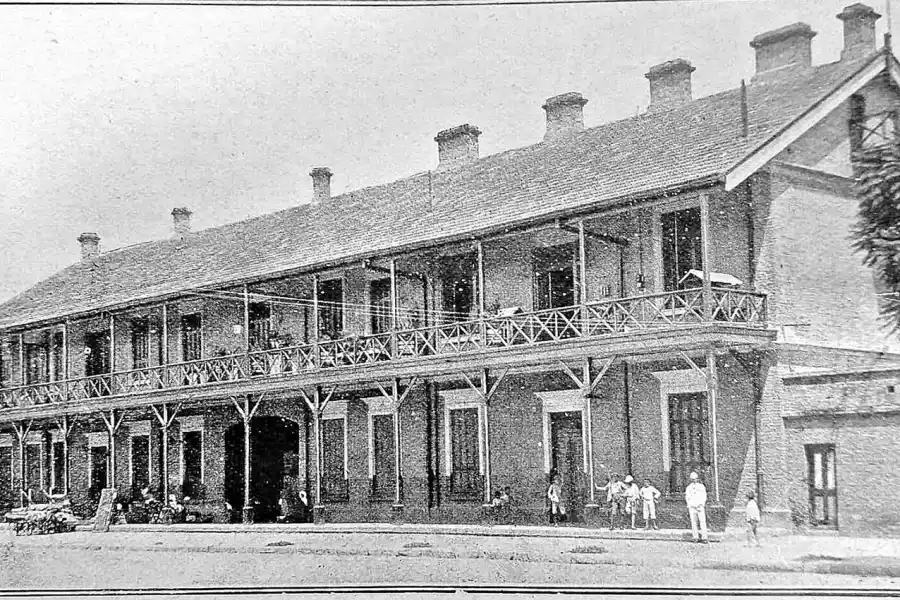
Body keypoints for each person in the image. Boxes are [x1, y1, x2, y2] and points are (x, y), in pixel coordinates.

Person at [684, 472, 708, 543]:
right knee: (693, 522)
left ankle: (704, 537)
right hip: (692, 507)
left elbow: (704, 496)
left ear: (697, 479)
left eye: (695, 479)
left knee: (702, 521)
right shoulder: (688, 487)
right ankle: (695, 537)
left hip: (700, 506)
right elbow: (687, 497)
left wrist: (701, 504)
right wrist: (690, 505)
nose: (694, 480)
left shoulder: (701, 486)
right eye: (692, 479)